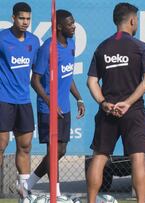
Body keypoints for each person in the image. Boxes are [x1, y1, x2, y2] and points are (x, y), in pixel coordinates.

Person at [86, 3, 145, 203]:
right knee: (138, 158)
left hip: (108, 111)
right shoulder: (140, 46)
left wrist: (103, 103)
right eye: (137, 21)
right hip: (132, 111)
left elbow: (91, 81)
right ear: (132, 20)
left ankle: (90, 201)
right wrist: (128, 102)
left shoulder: (102, 47)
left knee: (99, 157)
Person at [25, 9, 85, 197]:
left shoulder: (71, 44)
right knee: (53, 152)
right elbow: (34, 80)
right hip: (49, 108)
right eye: (70, 24)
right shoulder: (48, 48)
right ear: (59, 26)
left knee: (60, 151)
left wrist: (79, 98)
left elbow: (68, 75)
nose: (74, 26)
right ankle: (56, 195)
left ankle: (27, 184)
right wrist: (50, 102)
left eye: (74, 22)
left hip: (64, 107)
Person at [0, 2, 40, 199]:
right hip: (3, 99)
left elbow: (37, 74)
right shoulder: (1, 38)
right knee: (1, 143)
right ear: (13, 18)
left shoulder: (34, 41)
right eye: (21, 18)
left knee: (25, 146)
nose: (25, 22)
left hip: (24, 101)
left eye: (28, 19)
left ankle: (24, 191)